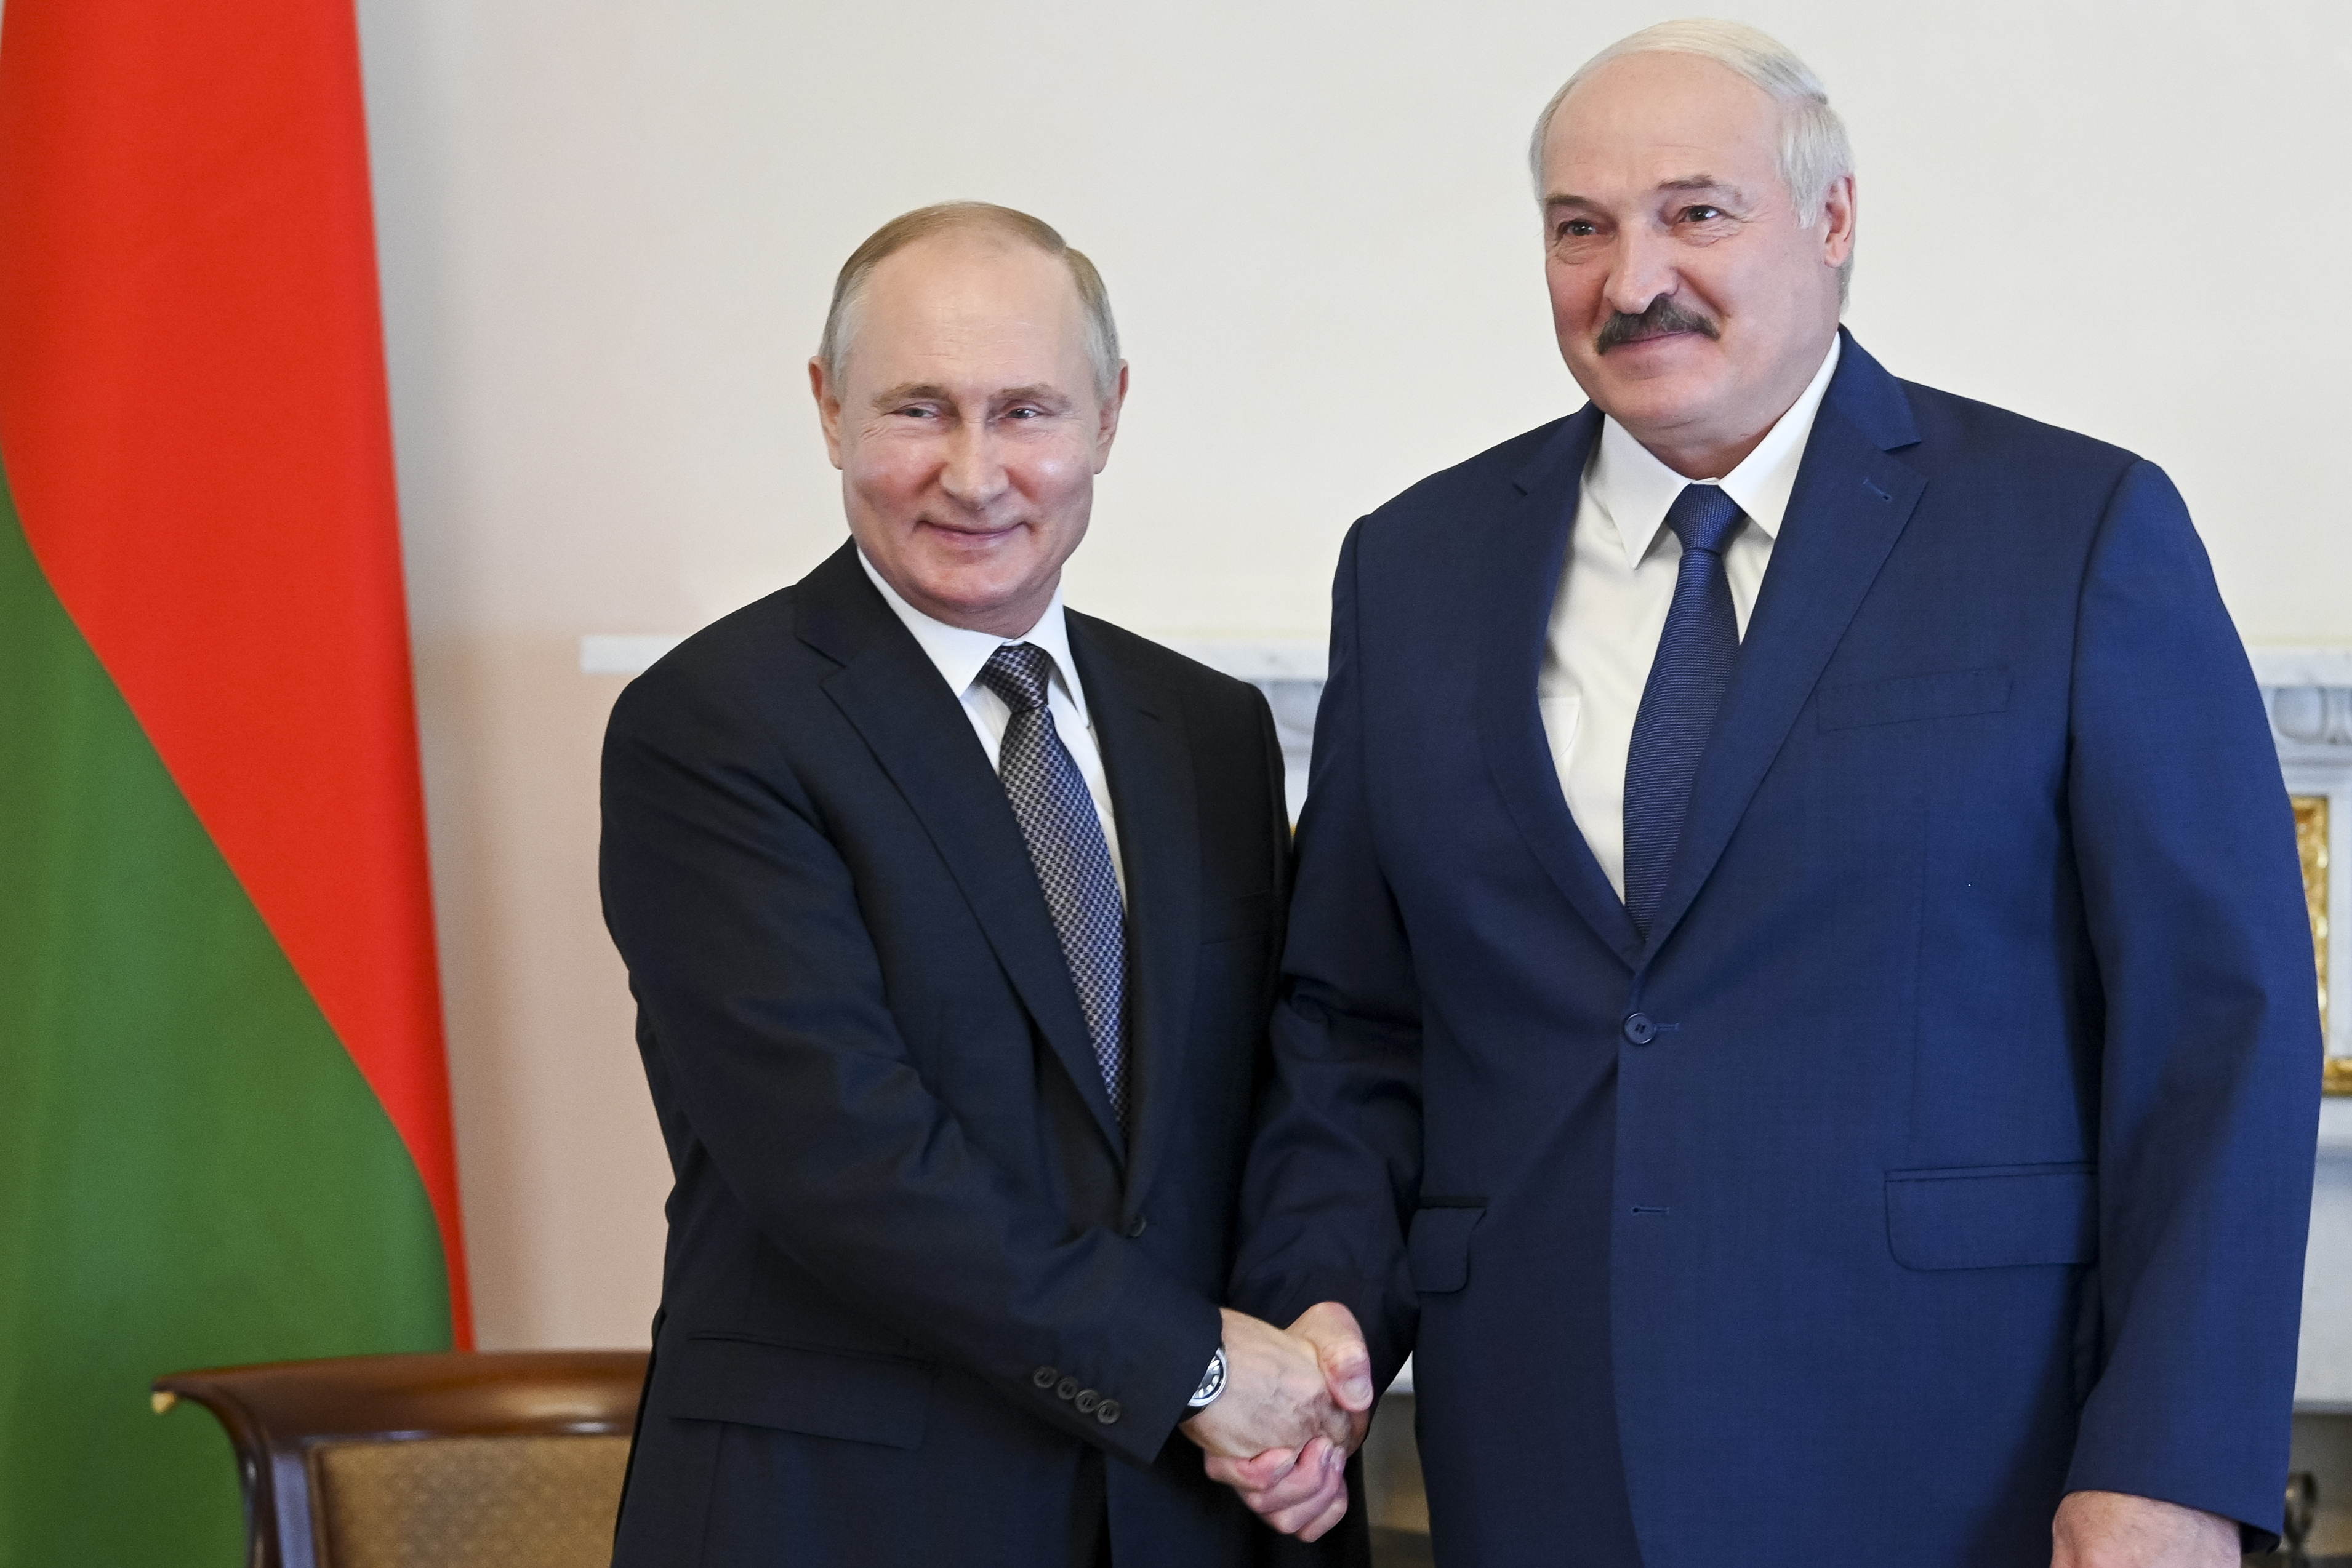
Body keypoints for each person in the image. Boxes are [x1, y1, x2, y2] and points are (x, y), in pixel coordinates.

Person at [1216, 21, 2321, 1567]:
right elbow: (1355, 1025)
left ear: (1835, 221)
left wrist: (2176, 1465)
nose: (1634, 277)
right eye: (1580, 229)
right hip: (1538, 1461)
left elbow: (2222, 1027)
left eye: (1697, 212)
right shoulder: (1413, 565)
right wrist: (1322, 1304)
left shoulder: (2074, 531)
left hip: (1968, 1464)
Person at [600, 202, 1372, 1568]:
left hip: (1192, 1516)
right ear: (829, 408)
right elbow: (847, 1155)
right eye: (917, 409)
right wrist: (1199, 1371)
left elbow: (1281, 1090)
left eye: (1025, 410)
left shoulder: (1206, 729)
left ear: (1110, 416)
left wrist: (1318, 1354)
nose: (974, 472)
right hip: (846, 1518)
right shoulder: (714, 725)